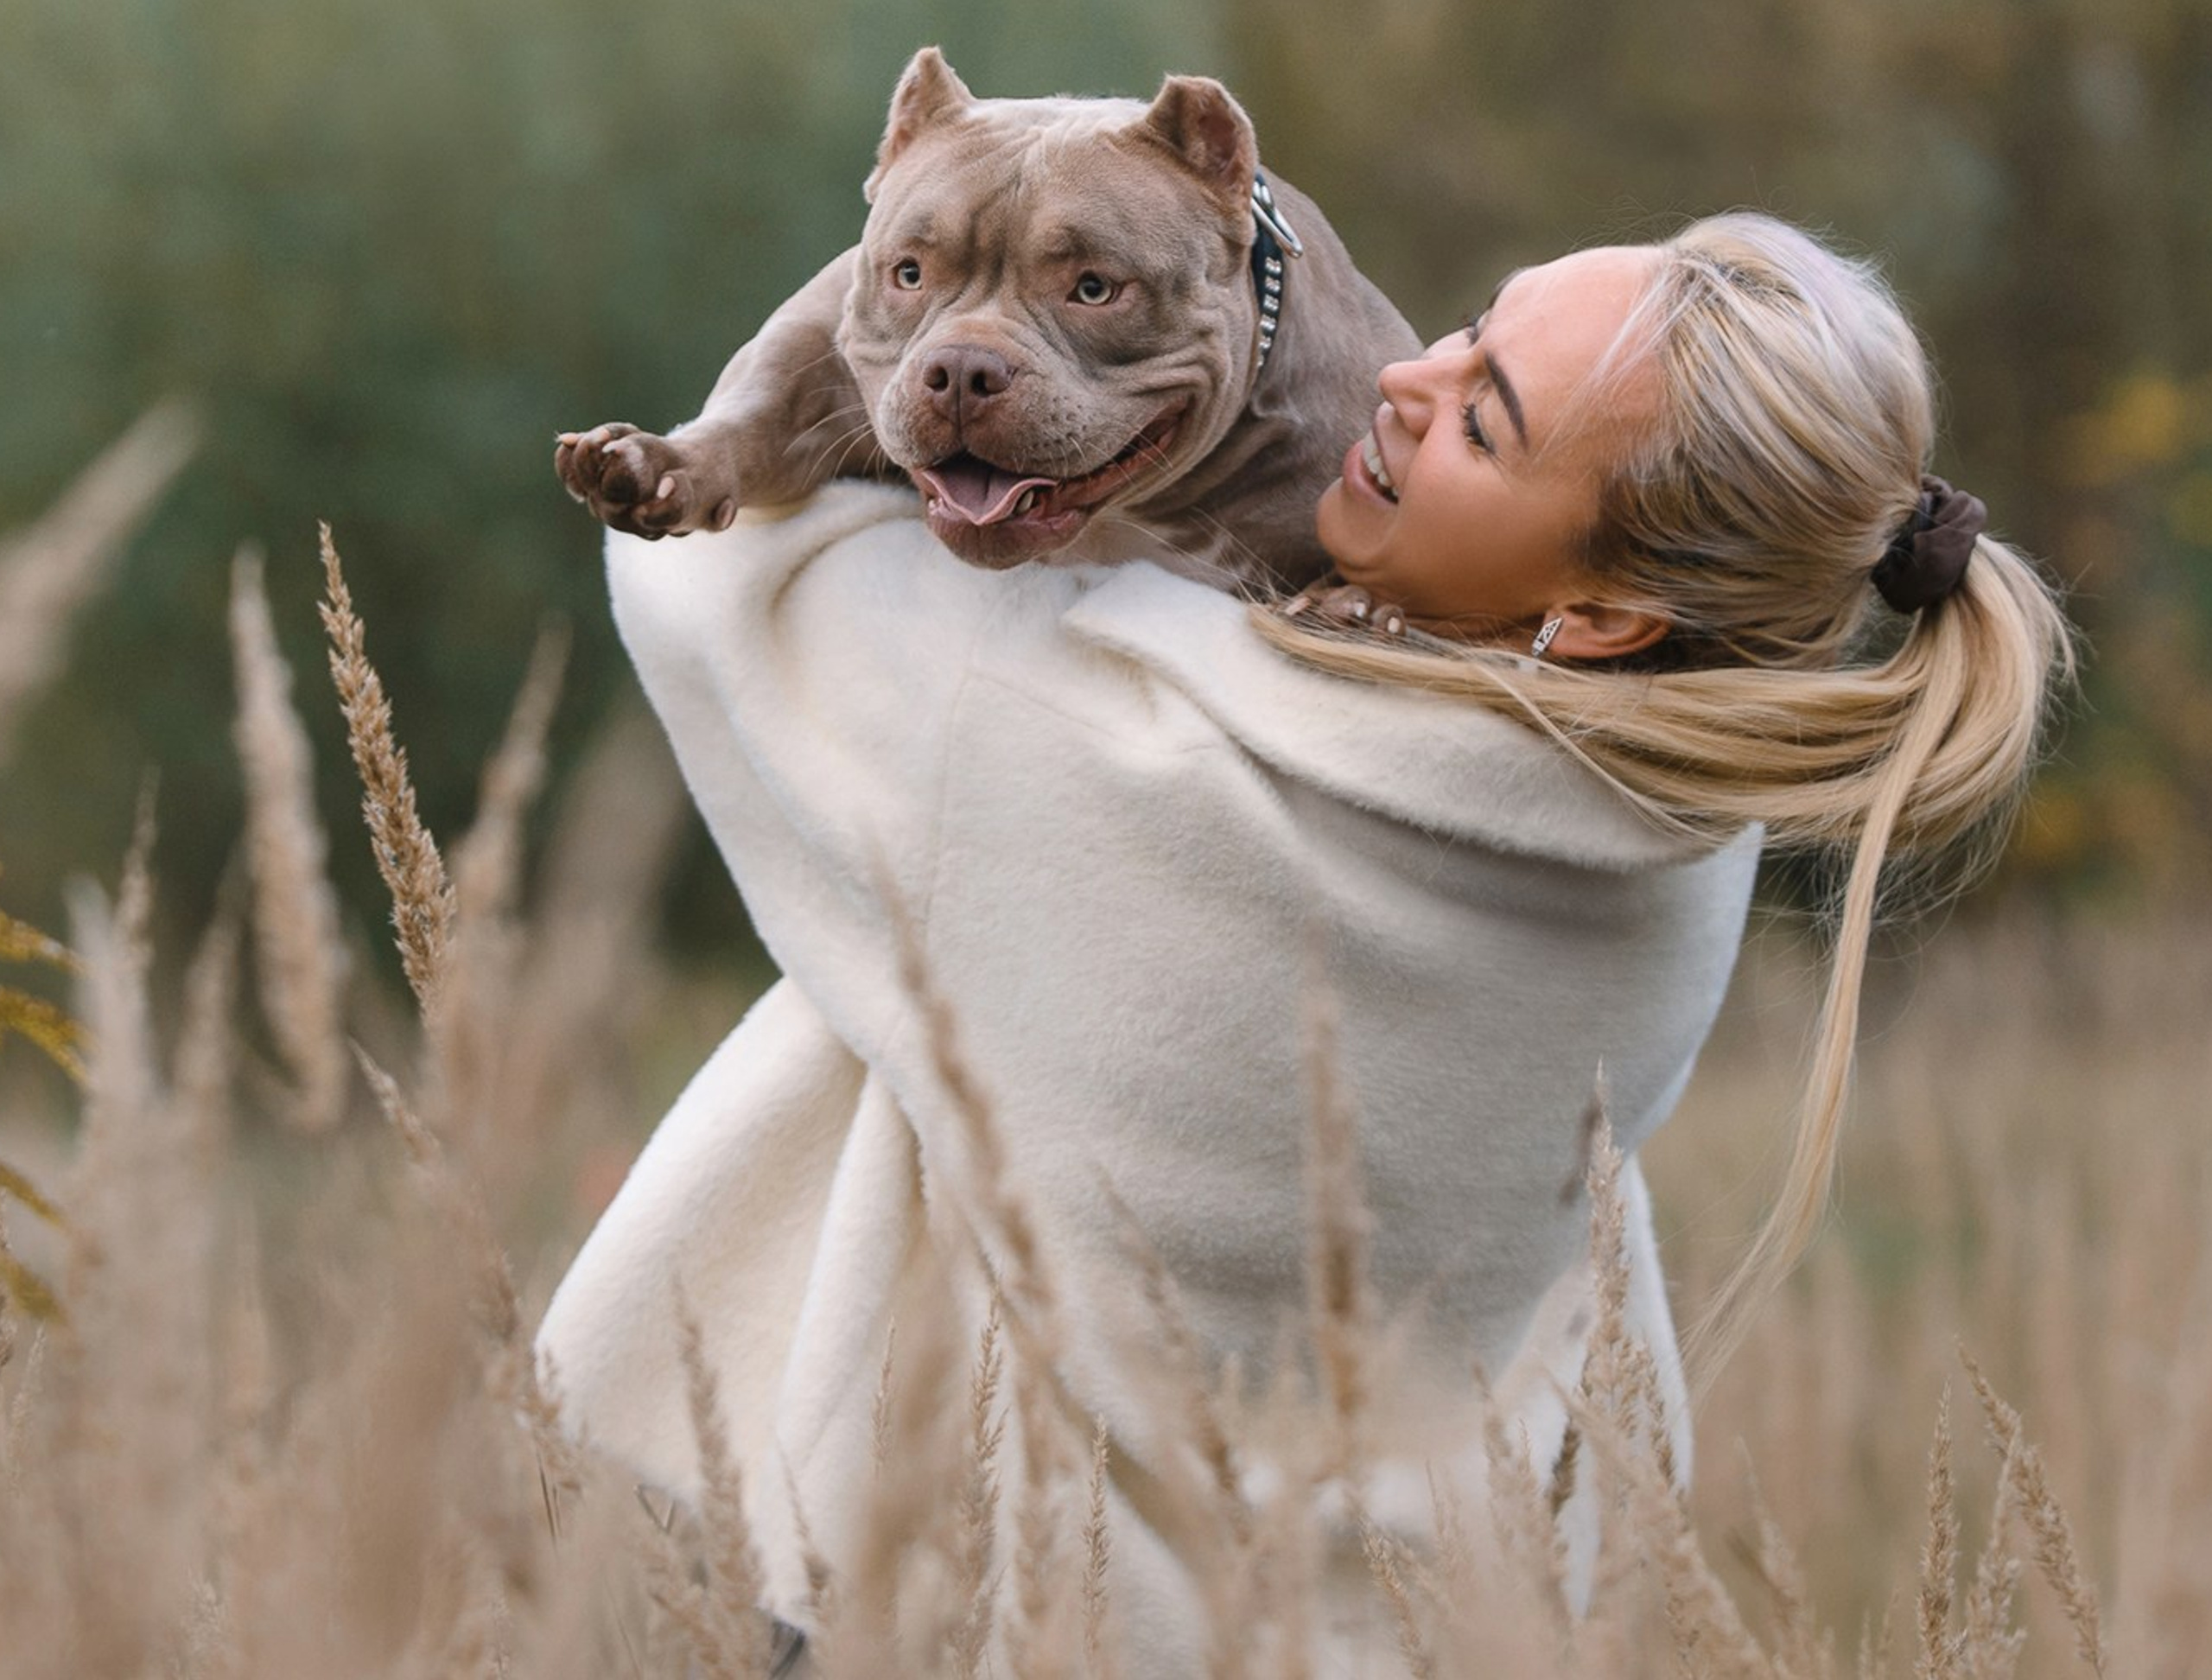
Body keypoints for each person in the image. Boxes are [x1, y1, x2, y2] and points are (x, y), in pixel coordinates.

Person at [537, 213, 2069, 1672]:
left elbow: (712, 563)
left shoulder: (1123, 754)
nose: (1406, 379)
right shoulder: (1687, 835)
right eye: (1472, 332)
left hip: (1012, 1618)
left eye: (1485, 421)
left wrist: (943, 241)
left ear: (1600, 613)